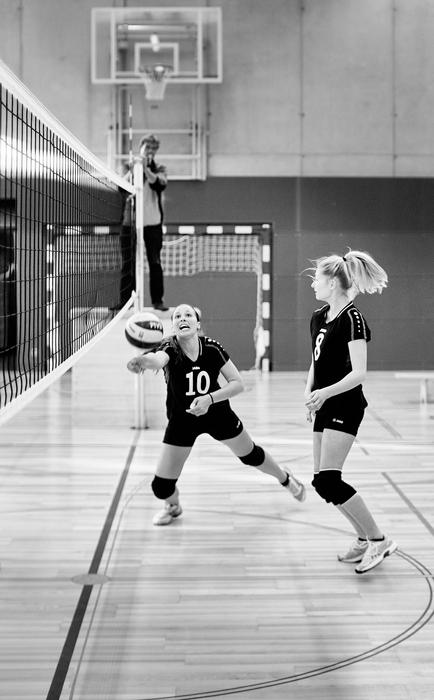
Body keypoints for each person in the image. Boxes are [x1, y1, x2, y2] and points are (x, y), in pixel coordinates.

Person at [127, 303, 306, 525]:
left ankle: (285, 478)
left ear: (197, 324)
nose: (183, 318)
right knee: (161, 487)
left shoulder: (211, 348)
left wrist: (209, 399)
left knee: (250, 456)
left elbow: (238, 384)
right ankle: (173, 505)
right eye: (177, 316)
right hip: (183, 420)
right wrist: (142, 361)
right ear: (173, 326)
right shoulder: (168, 349)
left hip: (217, 414)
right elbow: (157, 360)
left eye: (188, 315)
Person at [304, 250, 397, 574]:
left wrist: (324, 393)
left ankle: (378, 539)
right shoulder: (319, 316)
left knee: (330, 478)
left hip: (345, 404)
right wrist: (309, 392)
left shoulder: (352, 319)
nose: (313, 283)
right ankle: (362, 538)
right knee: (322, 483)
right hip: (324, 403)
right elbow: (316, 363)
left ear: (332, 282)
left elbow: (359, 373)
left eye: (317, 278)